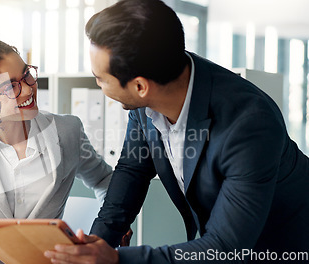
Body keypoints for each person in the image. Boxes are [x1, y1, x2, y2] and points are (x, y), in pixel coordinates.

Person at [44, 0, 309, 263]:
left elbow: (226, 246)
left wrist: (115, 260)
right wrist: (98, 244)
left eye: (100, 78)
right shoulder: (151, 88)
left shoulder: (249, 124)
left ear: (140, 86)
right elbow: (132, 170)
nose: (97, 84)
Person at [0, 17, 112, 238]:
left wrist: (113, 223)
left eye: (26, 75)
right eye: (9, 87)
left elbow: (104, 179)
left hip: (46, 258)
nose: (27, 90)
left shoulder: (67, 130)